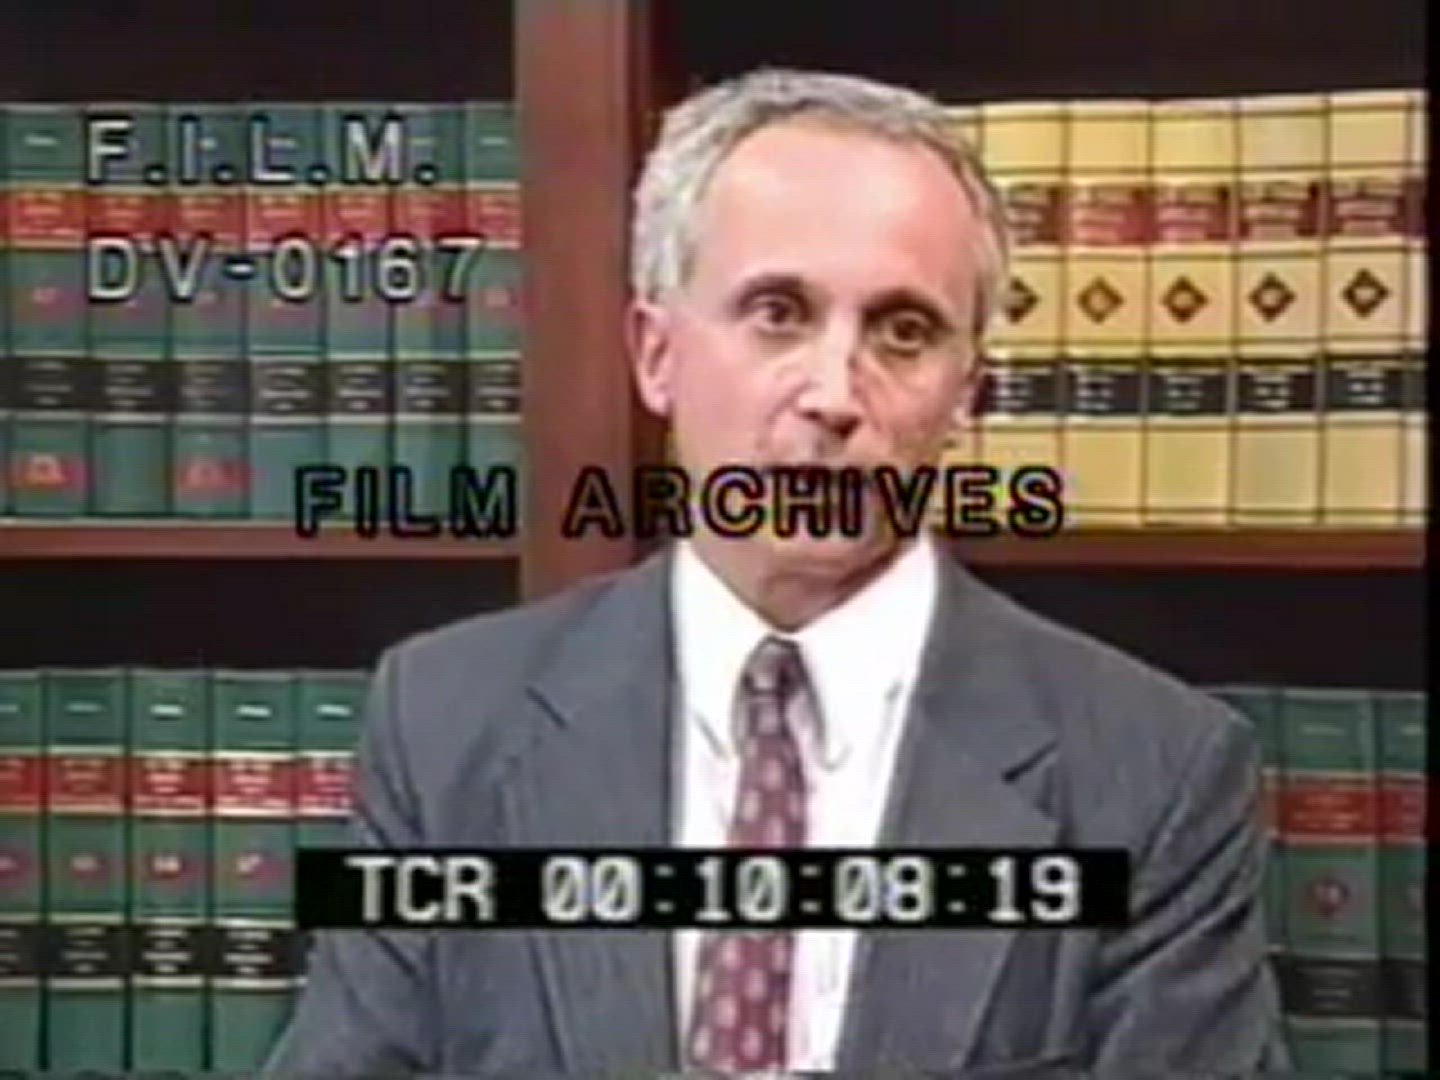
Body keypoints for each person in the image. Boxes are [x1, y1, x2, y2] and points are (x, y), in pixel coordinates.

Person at [264, 68, 1289, 1077]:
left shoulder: (1156, 774)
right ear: (656, 355)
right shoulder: (446, 725)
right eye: (778, 312)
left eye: (903, 332)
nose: (834, 394)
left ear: (965, 395)